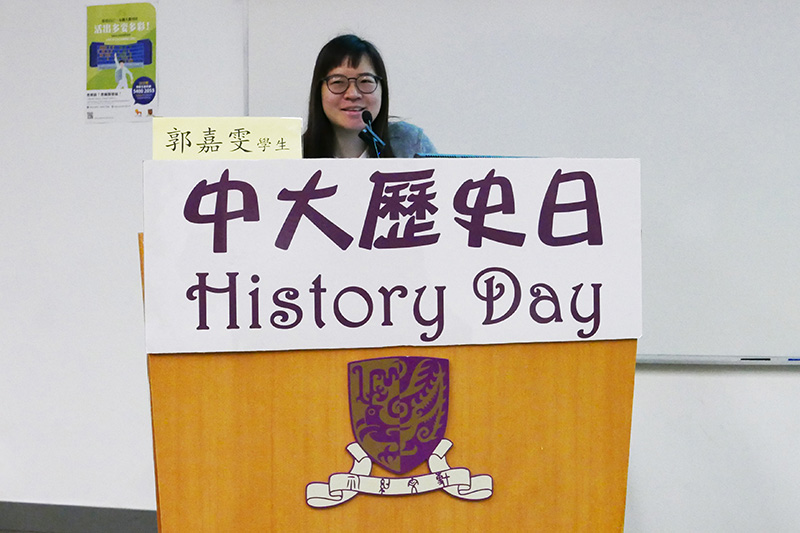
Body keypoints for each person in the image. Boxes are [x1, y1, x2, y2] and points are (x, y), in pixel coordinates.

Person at [302, 34, 436, 158]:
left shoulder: (410, 144)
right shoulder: (296, 153)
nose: (352, 94)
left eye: (365, 81)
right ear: (319, 91)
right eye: (338, 82)